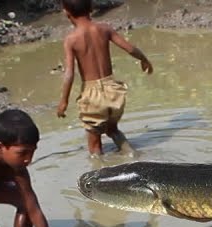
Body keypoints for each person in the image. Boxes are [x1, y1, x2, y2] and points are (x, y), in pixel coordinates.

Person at [55, 0, 153, 157]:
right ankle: (132, 155)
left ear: (66, 12)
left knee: (94, 144)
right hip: (113, 90)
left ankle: (99, 172)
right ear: (91, 8)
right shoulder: (104, 29)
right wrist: (144, 59)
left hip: (92, 95)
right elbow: (129, 48)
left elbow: (69, 74)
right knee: (112, 129)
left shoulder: (71, 39)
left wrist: (64, 101)